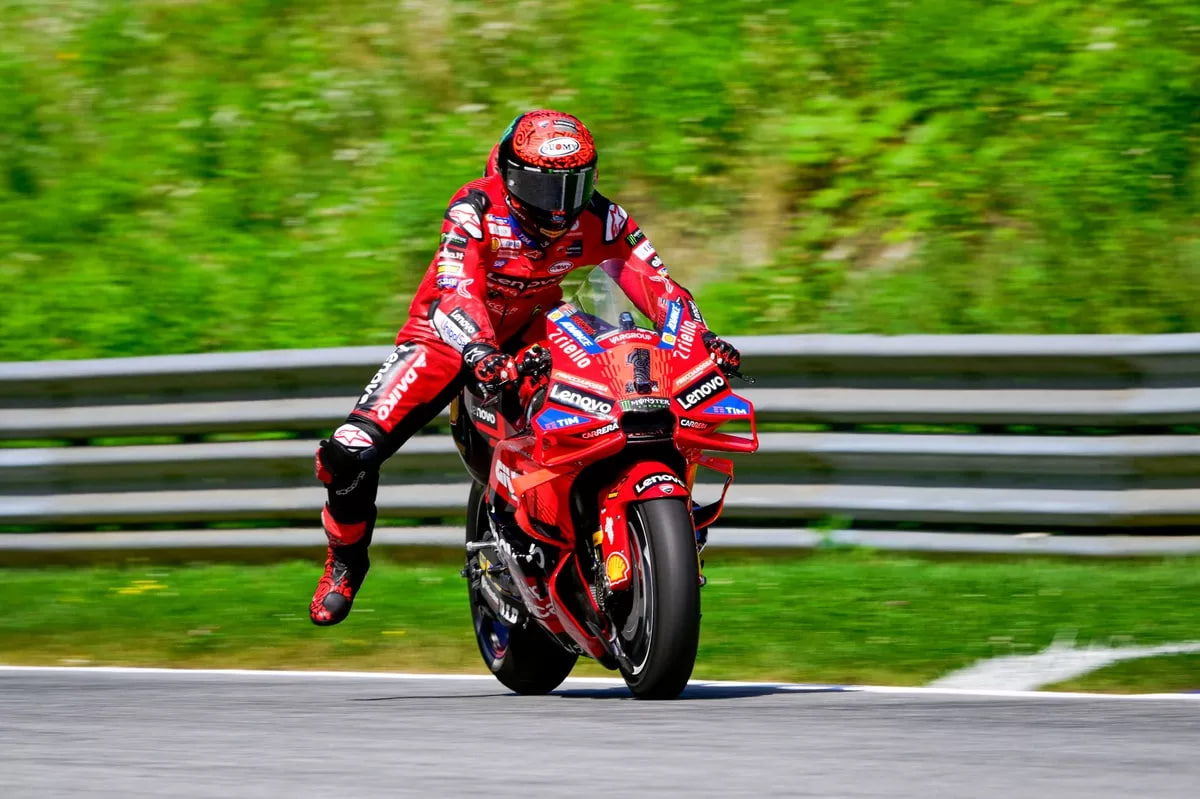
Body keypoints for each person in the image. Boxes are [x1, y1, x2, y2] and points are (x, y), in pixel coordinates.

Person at [310, 109, 741, 625]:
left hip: (538, 330)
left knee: (633, 390)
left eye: (574, 186)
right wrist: (479, 352)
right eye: (545, 189)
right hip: (447, 338)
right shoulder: (474, 210)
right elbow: (456, 290)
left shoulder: (603, 218)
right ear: (511, 177)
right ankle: (346, 561)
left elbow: (656, 283)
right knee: (349, 453)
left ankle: (625, 524)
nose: (560, 207)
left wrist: (699, 337)